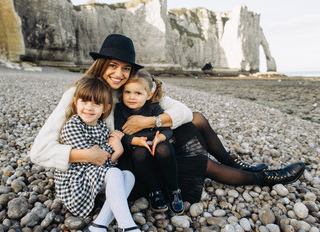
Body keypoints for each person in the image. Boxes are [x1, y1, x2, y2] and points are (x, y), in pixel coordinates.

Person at [30, 33, 305, 219]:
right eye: (113, 66)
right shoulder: (81, 94)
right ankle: (264, 179)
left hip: (139, 145)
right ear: (101, 65)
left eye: (125, 68)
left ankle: (236, 165)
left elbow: (184, 111)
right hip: (117, 163)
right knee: (202, 163)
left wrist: (149, 121)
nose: (119, 74)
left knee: (193, 120)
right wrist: (88, 155)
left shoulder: (129, 87)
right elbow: (39, 151)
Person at [55, 75, 139, 231]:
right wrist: (112, 146)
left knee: (129, 175)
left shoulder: (101, 127)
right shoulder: (72, 126)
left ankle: (99, 224)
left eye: (96, 103)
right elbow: (93, 158)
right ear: (75, 103)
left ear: (105, 109)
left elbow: (106, 161)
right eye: (84, 101)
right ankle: (128, 226)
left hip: (92, 176)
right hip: (75, 183)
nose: (89, 108)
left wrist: (118, 150)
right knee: (114, 172)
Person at [114, 70, 183, 214]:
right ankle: (155, 191)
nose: (132, 97)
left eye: (138, 93)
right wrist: (135, 140)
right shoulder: (120, 109)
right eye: (128, 92)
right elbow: (120, 133)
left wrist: (160, 138)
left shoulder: (153, 107)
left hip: (157, 143)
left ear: (149, 95)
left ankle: (174, 189)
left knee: (163, 148)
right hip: (137, 147)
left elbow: (167, 129)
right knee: (139, 153)